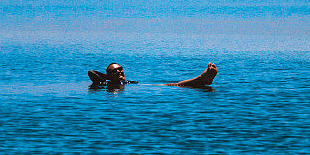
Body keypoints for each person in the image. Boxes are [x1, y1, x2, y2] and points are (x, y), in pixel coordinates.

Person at [88, 62, 217, 89]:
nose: (119, 72)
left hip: (144, 87)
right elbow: (91, 73)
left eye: (120, 69)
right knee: (173, 85)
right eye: (115, 71)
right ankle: (201, 80)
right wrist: (107, 78)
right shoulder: (107, 84)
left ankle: (202, 80)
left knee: (173, 85)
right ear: (108, 75)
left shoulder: (128, 83)